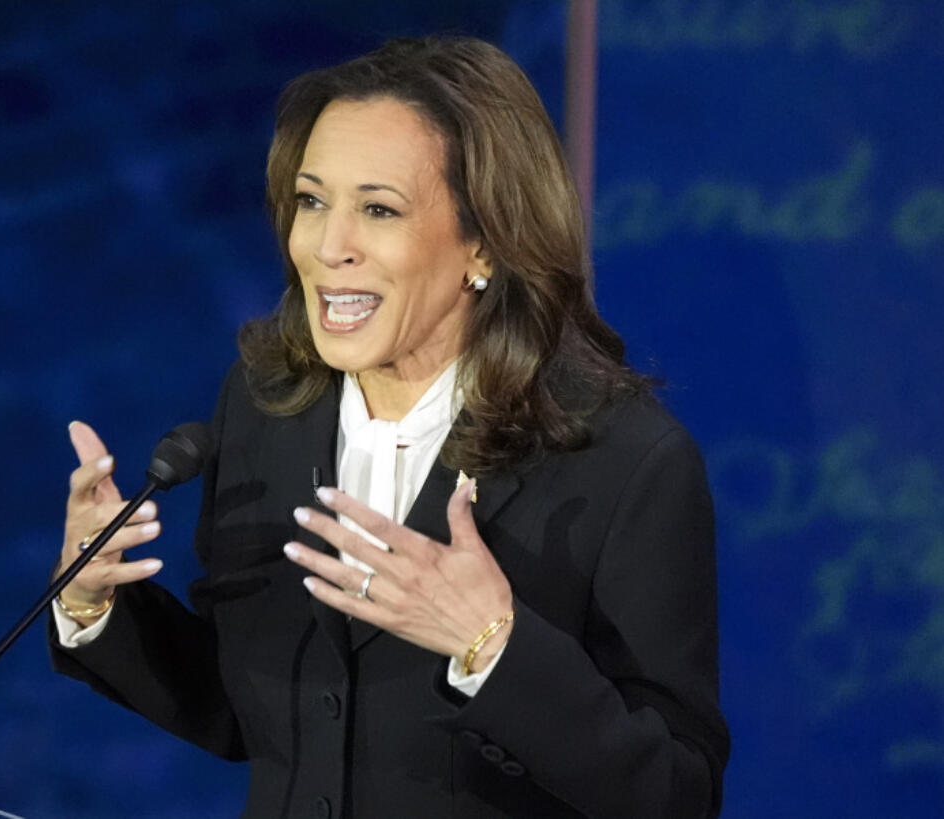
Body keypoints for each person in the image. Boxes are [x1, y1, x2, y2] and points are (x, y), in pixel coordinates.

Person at [49, 36, 729, 819]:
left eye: (378, 209)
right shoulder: (269, 406)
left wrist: (493, 647)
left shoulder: (623, 462)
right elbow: (249, 708)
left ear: (485, 242)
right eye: (311, 201)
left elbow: (678, 797)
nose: (329, 247)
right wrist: (95, 600)